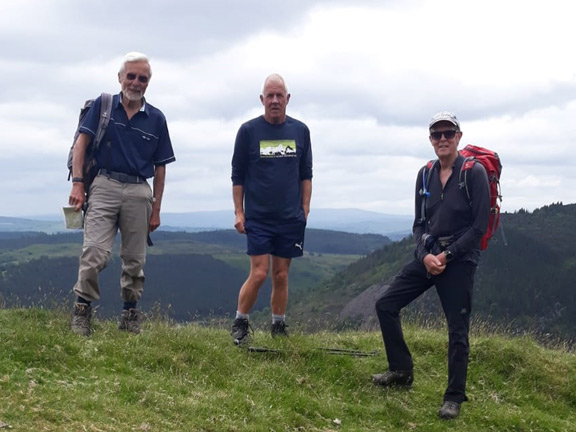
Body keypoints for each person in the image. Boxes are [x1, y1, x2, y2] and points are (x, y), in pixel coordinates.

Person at [372, 111, 490, 420]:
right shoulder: (424, 175)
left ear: (458, 137)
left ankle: (453, 397)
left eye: (447, 133)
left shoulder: (473, 173)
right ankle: (401, 370)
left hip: (460, 260)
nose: (442, 139)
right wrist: (425, 254)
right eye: (436, 135)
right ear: (430, 140)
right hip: (429, 255)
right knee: (385, 303)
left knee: (457, 328)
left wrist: (447, 257)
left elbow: (479, 227)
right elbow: (418, 224)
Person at [68, 52, 175, 336]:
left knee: (135, 258)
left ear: (148, 83)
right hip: (103, 184)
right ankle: (82, 311)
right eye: (131, 76)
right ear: (120, 78)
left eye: (143, 78)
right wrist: (78, 184)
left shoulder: (156, 119)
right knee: (94, 251)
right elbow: (82, 144)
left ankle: (129, 315)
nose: (136, 82)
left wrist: (157, 208)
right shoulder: (104, 107)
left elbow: (161, 167)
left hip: (140, 189)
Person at [230, 74, 313, 345]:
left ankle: (278, 326)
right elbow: (238, 175)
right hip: (259, 217)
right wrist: (239, 212)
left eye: (280, 95)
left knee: (281, 274)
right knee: (259, 272)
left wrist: (305, 209)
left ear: (287, 99)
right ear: (262, 99)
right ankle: (240, 322)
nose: (275, 100)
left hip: (290, 218)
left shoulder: (301, 131)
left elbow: (306, 174)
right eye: (270, 95)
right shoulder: (248, 131)